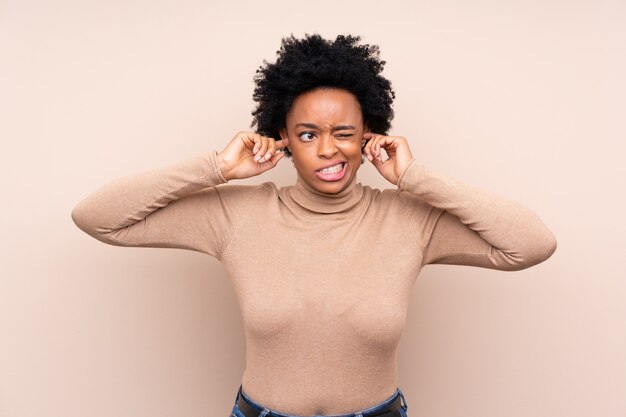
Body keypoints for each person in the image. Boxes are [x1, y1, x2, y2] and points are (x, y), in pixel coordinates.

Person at [71, 33, 557, 417]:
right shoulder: (237, 214)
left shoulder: (409, 219)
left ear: (368, 134)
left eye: (344, 133)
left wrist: (413, 177)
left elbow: (531, 244)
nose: (328, 149)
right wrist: (216, 168)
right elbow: (98, 218)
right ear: (282, 137)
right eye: (308, 134)